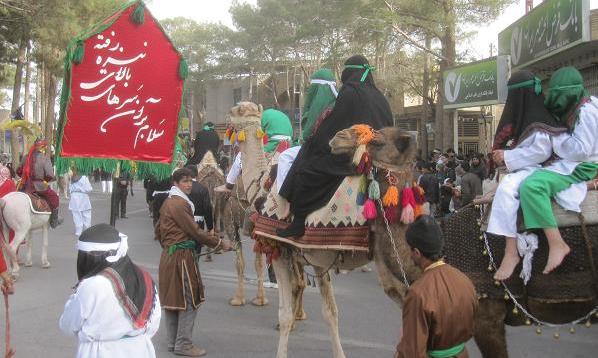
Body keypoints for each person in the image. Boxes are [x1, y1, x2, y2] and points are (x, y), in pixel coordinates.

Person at [278, 54, 393, 237]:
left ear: (350, 73)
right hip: (381, 154)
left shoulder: (349, 91)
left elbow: (334, 127)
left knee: (307, 169)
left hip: (356, 156)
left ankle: (298, 221)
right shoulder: (380, 96)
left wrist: (314, 143)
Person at [487, 71, 569, 281]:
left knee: (507, 189)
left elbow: (541, 152)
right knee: (502, 188)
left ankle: (511, 251)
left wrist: (507, 156)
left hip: (546, 168)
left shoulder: (538, 120)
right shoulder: (529, 119)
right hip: (530, 168)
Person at [517, 67, 598, 275]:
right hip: (575, 163)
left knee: (532, 186)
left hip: (583, 166)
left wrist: (556, 136)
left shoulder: (587, 112)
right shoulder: (581, 108)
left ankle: (557, 243)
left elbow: (581, 150)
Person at [155, 168, 232, 356]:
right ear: (175, 183)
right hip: (181, 258)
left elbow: (157, 230)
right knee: (190, 300)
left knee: (173, 300)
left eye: (190, 180)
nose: (189, 184)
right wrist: (220, 242)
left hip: (170, 256)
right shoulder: (180, 204)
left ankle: (174, 343)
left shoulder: (169, 202)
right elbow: (195, 232)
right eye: (184, 181)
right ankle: (183, 344)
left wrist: (170, 244)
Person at [59, 224, 161, 358]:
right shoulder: (143, 277)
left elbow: (67, 325)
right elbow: (153, 323)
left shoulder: (91, 285)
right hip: (140, 350)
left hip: (101, 352)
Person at [395, 215, 477, 358]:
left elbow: (412, 352)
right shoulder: (464, 280)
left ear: (417, 253)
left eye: (410, 250)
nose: (409, 255)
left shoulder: (417, 293)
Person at [276, 68, 338, 195]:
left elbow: (307, 134)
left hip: (318, 149)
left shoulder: (318, 108)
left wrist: (300, 140)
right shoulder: (338, 102)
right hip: (334, 149)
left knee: (284, 157)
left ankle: (281, 197)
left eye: (312, 87)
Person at [215, 108, 293, 193]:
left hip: (274, 142)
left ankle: (229, 184)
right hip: (288, 142)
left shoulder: (257, 120)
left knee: (241, 156)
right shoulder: (272, 115)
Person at [17, 139, 62, 227]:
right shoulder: (44, 158)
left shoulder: (26, 157)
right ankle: (54, 221)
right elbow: (50, 175)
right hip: (39, 187)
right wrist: (45, 181)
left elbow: (18, 171)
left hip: (25, 186)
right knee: (55, 198)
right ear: (43, 147)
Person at [185, 165, 214, 233]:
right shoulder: (203, 189)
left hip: (183, 221)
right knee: (198, 242)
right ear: (197, 174)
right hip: (198, 223)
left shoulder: (181, 188)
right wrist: (210, 227)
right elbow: (207, 208)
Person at [69, 166, 93, 237]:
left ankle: (78, 230)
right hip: (83, 196)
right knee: (86, 213)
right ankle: (87, 229)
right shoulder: (84, 177)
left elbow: (69, 188)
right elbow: (88, 189)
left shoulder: (72, 178)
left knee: (76, 214)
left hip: (74, 197)